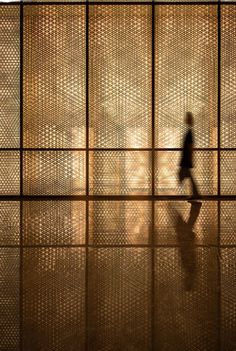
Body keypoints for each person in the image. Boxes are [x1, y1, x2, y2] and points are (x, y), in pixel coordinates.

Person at [178, 112, 200, 200]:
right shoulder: (189, 131)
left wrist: (190, 158)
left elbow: (190, 146)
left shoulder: (189, 132)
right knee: (190, 176)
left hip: (186, 158)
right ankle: (196, 193)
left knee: (183, 175)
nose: (185, 119)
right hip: (186, 157)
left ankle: (195, 193)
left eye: (186, 117)